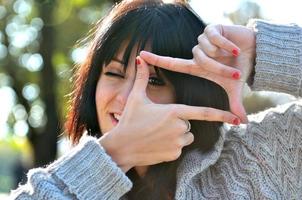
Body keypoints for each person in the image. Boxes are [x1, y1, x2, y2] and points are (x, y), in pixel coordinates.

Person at [10, 0, 302, 199]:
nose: (127, 99)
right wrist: (114, 156)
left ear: (190, 90)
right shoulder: (71, 181)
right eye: (113, 73)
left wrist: (260, 50)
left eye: (154, 80)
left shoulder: (261, 157)